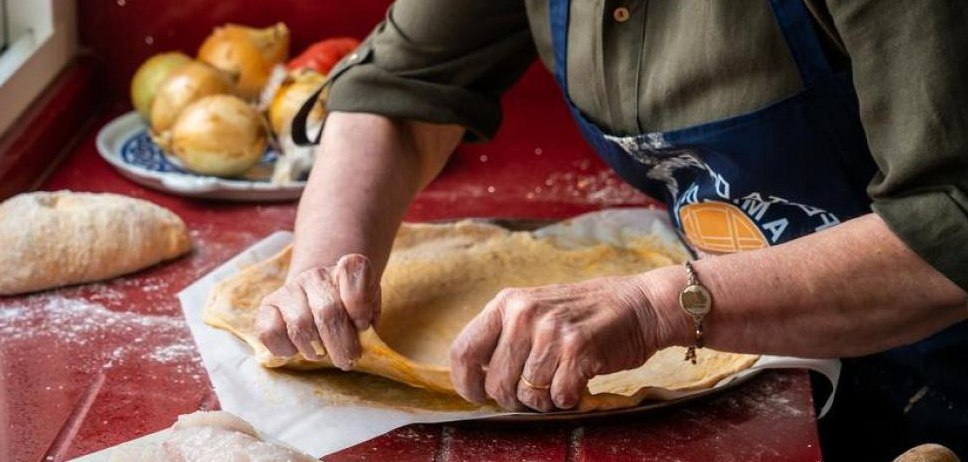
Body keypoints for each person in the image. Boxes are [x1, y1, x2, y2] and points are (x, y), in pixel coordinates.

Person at [255, 0, 968, 459]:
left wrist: (656, 307)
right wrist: (323, 269)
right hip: (758, 357)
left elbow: (953, 221)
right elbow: (404, 90)